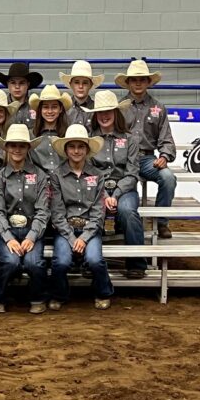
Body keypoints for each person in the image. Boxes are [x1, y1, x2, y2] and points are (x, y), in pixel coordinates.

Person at [49, 124, 114, 310]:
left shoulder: (98, 175)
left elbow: (98, 211)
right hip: (65, 228)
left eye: (80, 147)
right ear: (66, 149)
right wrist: (71, 237)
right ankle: (59, 294)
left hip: (90, 229)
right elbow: (57, 211)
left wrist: (84, 238)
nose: (76, 151)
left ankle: (103, 292)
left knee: (95, 260)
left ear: (86, 149)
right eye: (72, 146)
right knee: (61, 261)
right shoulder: (56, 176)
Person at [84, 90, 146, 278]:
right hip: (95, 189)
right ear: (95, 115)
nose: (104, 116)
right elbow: (88, 171)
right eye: (100, 112)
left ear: (116, 113)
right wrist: (103, 194)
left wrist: (115, 194)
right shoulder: (89, 140)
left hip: (124, 188)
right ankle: (89, 261)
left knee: (128, 211)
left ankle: (136, 263)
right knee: (88, 211)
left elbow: (132, 172)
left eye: (108, 111)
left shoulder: (131, 139)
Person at [0, 124, 51, 314]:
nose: (17, 149)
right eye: (13, 145)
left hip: (32, 229)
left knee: (34, 262)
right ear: (6, 148)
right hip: (6, 230)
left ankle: (38, 296)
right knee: (10, 261)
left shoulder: (40, 177)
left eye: (22, 146)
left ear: (28, 148)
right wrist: (8, 237)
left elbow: (44, 211)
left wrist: (32, 236)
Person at [117, 59, 177, 239]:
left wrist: (164, 156)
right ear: (127, 82)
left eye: (142, 79)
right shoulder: (119, 107)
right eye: (134, 79)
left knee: (168, 178)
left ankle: (161, 222)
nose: (138, 83)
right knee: (118, 183)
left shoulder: (158, 108)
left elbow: (166, 138)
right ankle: (122, 223)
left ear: (148, 82)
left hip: (146, 159)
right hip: (122, 159)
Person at [30, 84, 72, 175]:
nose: (49, 111)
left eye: (54, 107)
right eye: (45, 107)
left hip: (64, 182)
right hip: (38, 183)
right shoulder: (30, 135)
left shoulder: (69, 134)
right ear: (40, 110)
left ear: (60, 109)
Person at [0, 62, 43, 130]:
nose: (17, 87)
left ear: (28, 84)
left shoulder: (37, 107)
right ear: (7, 84)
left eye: (22, 83)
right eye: (13, 83)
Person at [59, 60, 104, 132]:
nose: (80, 86)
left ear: (91, 85)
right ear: (71, 84)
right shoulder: (62, 109)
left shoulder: (97, 109)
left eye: (85, 83)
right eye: (76, 82)